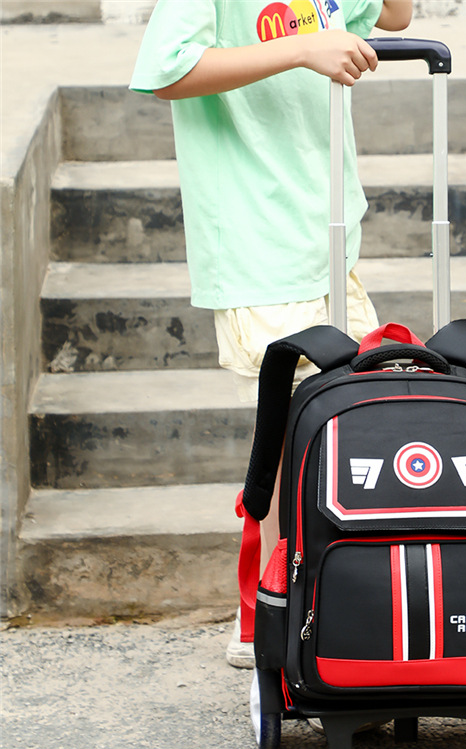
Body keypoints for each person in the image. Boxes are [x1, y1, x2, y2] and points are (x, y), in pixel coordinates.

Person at [130, 0, 413, 668]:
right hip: (257, 245)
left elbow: (393, 16)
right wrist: (300, 48)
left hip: (329, 237)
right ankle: (283, 615)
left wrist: (321, 41)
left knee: (355, 425)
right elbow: (166, 69)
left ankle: (327, 607)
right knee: (303, 438)